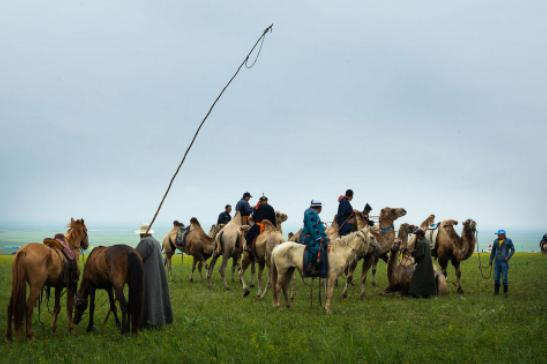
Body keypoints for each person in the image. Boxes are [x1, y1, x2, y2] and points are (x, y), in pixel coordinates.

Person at [135, 223, 173, 328]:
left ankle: (149, 320)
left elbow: (137, 257)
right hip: (157, 273)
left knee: (148, 296)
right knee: (157, 295)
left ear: (142, 234)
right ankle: (159, 318)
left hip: (148, 274)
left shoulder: (145, 242)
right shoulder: (156, 241)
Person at [301, 200, 329, 278]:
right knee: (317, 248)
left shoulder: (313, 213)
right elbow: (312, 227)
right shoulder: (311, 213)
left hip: (312, 236)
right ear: (319, 207)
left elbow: (317, 225)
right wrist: (319, 238)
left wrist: (323, 228)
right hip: (308, 237)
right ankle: (311, 267)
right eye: (321, 207)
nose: (321, 209)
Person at [408, 229, 437, 298]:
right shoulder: (426, 242)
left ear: (420, 235)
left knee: (417, 278)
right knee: (427, 278)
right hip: (428, 263)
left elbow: (420, 254)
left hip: (422, 263)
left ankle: (415, 294)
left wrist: (412, 254)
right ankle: (427, 294)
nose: (416, 236)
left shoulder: (420, 242)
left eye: (417, 235)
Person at [489, 229, 515, 297]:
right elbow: (493, 251)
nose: (498, 235)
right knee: (496, 277)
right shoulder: (495, 241)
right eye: (497, 234)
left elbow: (513, 250)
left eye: (499, 234)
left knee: (504, 278)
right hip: (497, 262)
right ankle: (496, 291)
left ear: (503, 235)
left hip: (504, 262)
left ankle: (505, 292)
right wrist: (491, 260)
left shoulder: (508, 241)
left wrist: (508, 257)